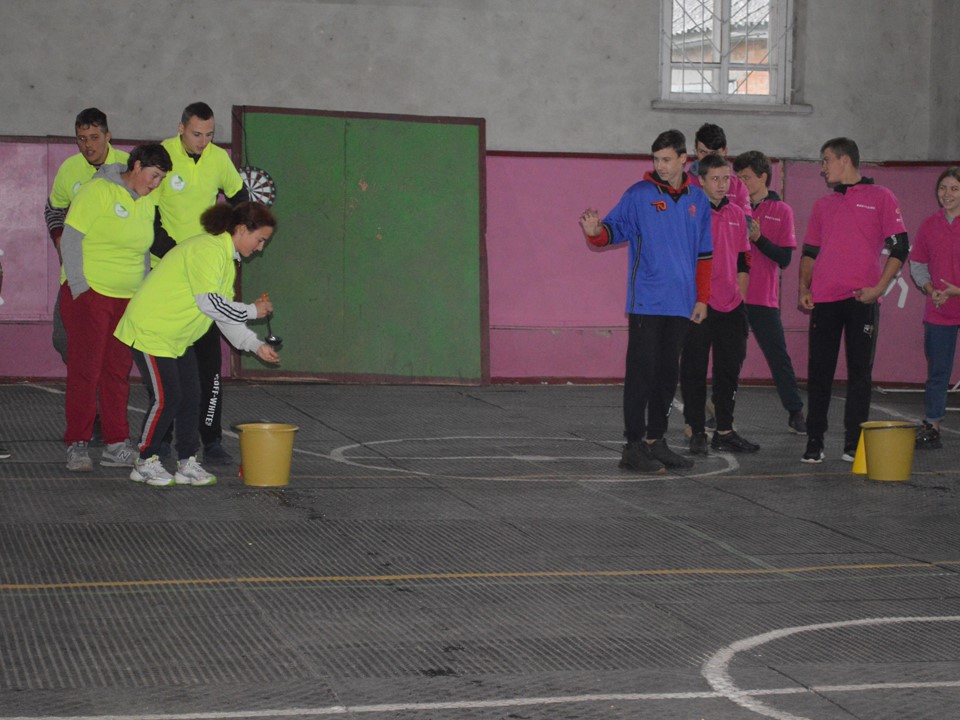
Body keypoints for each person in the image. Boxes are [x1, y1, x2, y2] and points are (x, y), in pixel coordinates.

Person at [114, 202, 280, 487]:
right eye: (260, 239)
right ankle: (145, 461)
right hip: (151, 331)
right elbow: (211, 303)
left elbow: (222, 314)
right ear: (242, 229)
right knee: (167, 398)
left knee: (192, 397)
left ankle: (187, 461)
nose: (260, 247)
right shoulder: (207, 250)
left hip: (178, 338)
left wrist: (254, 345)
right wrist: (253, 310)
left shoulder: (225, 260)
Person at [579, 129, 712, 474]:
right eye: (656, 159)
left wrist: (702, 299)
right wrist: (595, 232)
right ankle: (633, 445)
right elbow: (612, 230)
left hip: (682, 305)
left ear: (684, 159)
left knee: (668, 376)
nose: (660, 165)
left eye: (667, 159)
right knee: (641, 374)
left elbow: (704, 255)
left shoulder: (699, 200)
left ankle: (656, 440)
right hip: (647, 303)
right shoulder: (638, 195)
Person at [60, 144, 173, 472]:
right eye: (154, 176)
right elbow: (70, 239)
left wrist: (144, 293)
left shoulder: (148, 201)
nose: (156, 184)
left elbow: (143, 251)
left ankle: (116, 444)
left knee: (117, 372)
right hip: (90, 294)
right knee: (86, 371)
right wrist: (80, 288)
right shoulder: (96, 191)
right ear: (136, 166)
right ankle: (77, 444)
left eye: (162, 179)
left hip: (127, 300)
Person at [799, 137, 909, 463]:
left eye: (826, 160)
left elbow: (900, 246)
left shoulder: (881, 197)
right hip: (824, 301)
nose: (822, 168)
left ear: (844, 160)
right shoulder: (823, 205)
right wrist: (803, 288)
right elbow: (809, 253)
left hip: (862, 301)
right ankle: (814, 441)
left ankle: (853, 443)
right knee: (819, 372)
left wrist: (878, 289)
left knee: (860, 374)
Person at [155, 101, 250, 466]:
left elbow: (240, 199)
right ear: (181, 128)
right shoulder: (162, 156)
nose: (203, 141)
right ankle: (162, 441)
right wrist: (176, 254)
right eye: (197, 134)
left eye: (209, 135)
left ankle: (210, 441)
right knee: (169, 369)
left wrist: (226, 240)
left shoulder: (218, 159)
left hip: (205, 277)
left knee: (209, 366)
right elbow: (150, 215)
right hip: (169, 276)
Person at [681, 154, 759, 455]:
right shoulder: (689, 213)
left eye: (726, 178)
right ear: (700, 181)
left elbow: (743, 259)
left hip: (732, 306)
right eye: (715, 179)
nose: (722, 184)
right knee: (694, 370)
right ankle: (697, 431)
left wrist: (739, 295)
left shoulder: (737, 214)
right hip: (699, 305)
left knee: (728, 371)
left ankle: (724, 431)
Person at [45, 108, 130, 362]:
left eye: (94, 137)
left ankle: (97, 379)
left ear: (108, 136)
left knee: (113, 342)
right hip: (77, 269)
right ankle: (84, 376)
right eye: (81, 139)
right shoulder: (69, 168)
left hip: (116, 272)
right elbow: (53, 209)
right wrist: (59, 239)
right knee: (63, 338)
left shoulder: (128, 166)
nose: (88, 145)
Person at [733, 150, 807, 434]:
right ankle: (721, 413)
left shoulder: (782, 211)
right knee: (730, 358)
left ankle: (795, 411)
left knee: (778, 356)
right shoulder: (731, 207)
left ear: (763, 177)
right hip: (732, 296)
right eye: (738, 178)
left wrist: (759, 238)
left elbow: (785, 258)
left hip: (763, 297)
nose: (741, 183)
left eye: (747, 177)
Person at [909, 167, 960, 450]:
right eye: (943, 188)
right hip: (939, 309)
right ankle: (932, 426)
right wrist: (931, 290)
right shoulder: (929, 225)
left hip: (954, 298)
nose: (947, 194)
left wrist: (957, 292)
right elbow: (917, 264)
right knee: (938, 372)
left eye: (954, 188)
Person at [688, 123, 752, 219]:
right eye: (703, 152)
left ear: (725, 151)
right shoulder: (683, 184)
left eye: (714, 153)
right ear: (696, 151)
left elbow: (746, 223)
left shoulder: (738, 187)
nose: (709, 158)